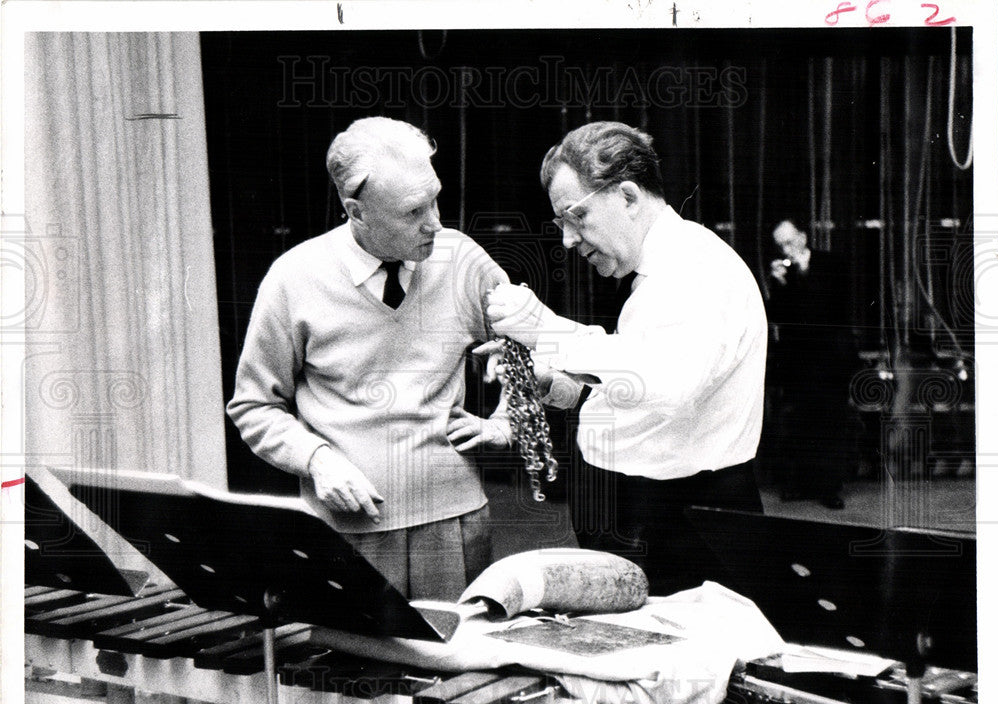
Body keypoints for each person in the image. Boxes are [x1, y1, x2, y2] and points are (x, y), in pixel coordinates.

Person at [227, 117, 512, 602]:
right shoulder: (293, 278)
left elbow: (534, 354)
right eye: (413, 211)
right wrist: (316, 460)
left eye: (435, 199)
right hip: (344, 535)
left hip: (456, 525)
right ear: (356, 211)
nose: (436, 222)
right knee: (351, 676)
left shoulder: (462, 261)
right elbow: (254, 408)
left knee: (459, 672)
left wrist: (505, 422)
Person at [484, 121, 768, 595]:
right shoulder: (662, 268)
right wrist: (561, 383)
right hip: (643, 510)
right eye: (561, 224)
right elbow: (643, 371)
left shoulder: (695, 269)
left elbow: (668, 385)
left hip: (677, 521)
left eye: (577, 216)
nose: (568, 240)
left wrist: (544, 329)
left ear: (629, 197)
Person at [766, 219, 858, 509]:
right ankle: (802, 485)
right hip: (799, 362)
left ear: (803, 237)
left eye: (790, 241)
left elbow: (833, 308)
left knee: (831, 424)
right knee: (800, 425)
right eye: (780, 244)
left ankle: (829, 488)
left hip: (830, 359)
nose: (786, 248)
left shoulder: (832, 263)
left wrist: (799, 278)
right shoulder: (781, 273)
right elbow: (780, 317)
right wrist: (781, 286)